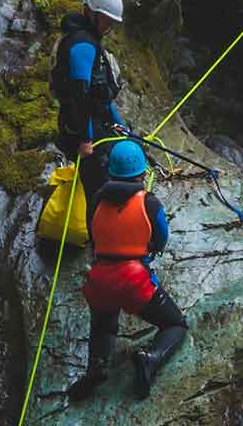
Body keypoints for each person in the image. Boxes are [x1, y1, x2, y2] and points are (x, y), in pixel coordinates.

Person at [68, 139, 189, 399]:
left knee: (103, 325)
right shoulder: (150, 202)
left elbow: (94, 232)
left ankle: (96, 368)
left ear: (110, 170)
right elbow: (161, 237)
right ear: (143, 173)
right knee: (175, 324)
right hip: (134, 279)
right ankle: (151, 359)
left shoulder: (98, 199)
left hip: (99, 279)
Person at [51, 0, 127, 194]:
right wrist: (85, 140)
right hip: (81, 128)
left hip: (93, 121)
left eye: (112, 22)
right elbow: (79, 94)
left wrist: (119, 126)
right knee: (99, 186)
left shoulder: (89, 40)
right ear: (90, 12)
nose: (109, 26)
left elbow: (98, 97)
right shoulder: (83, 45)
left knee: (112, 169)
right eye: (106, 20)